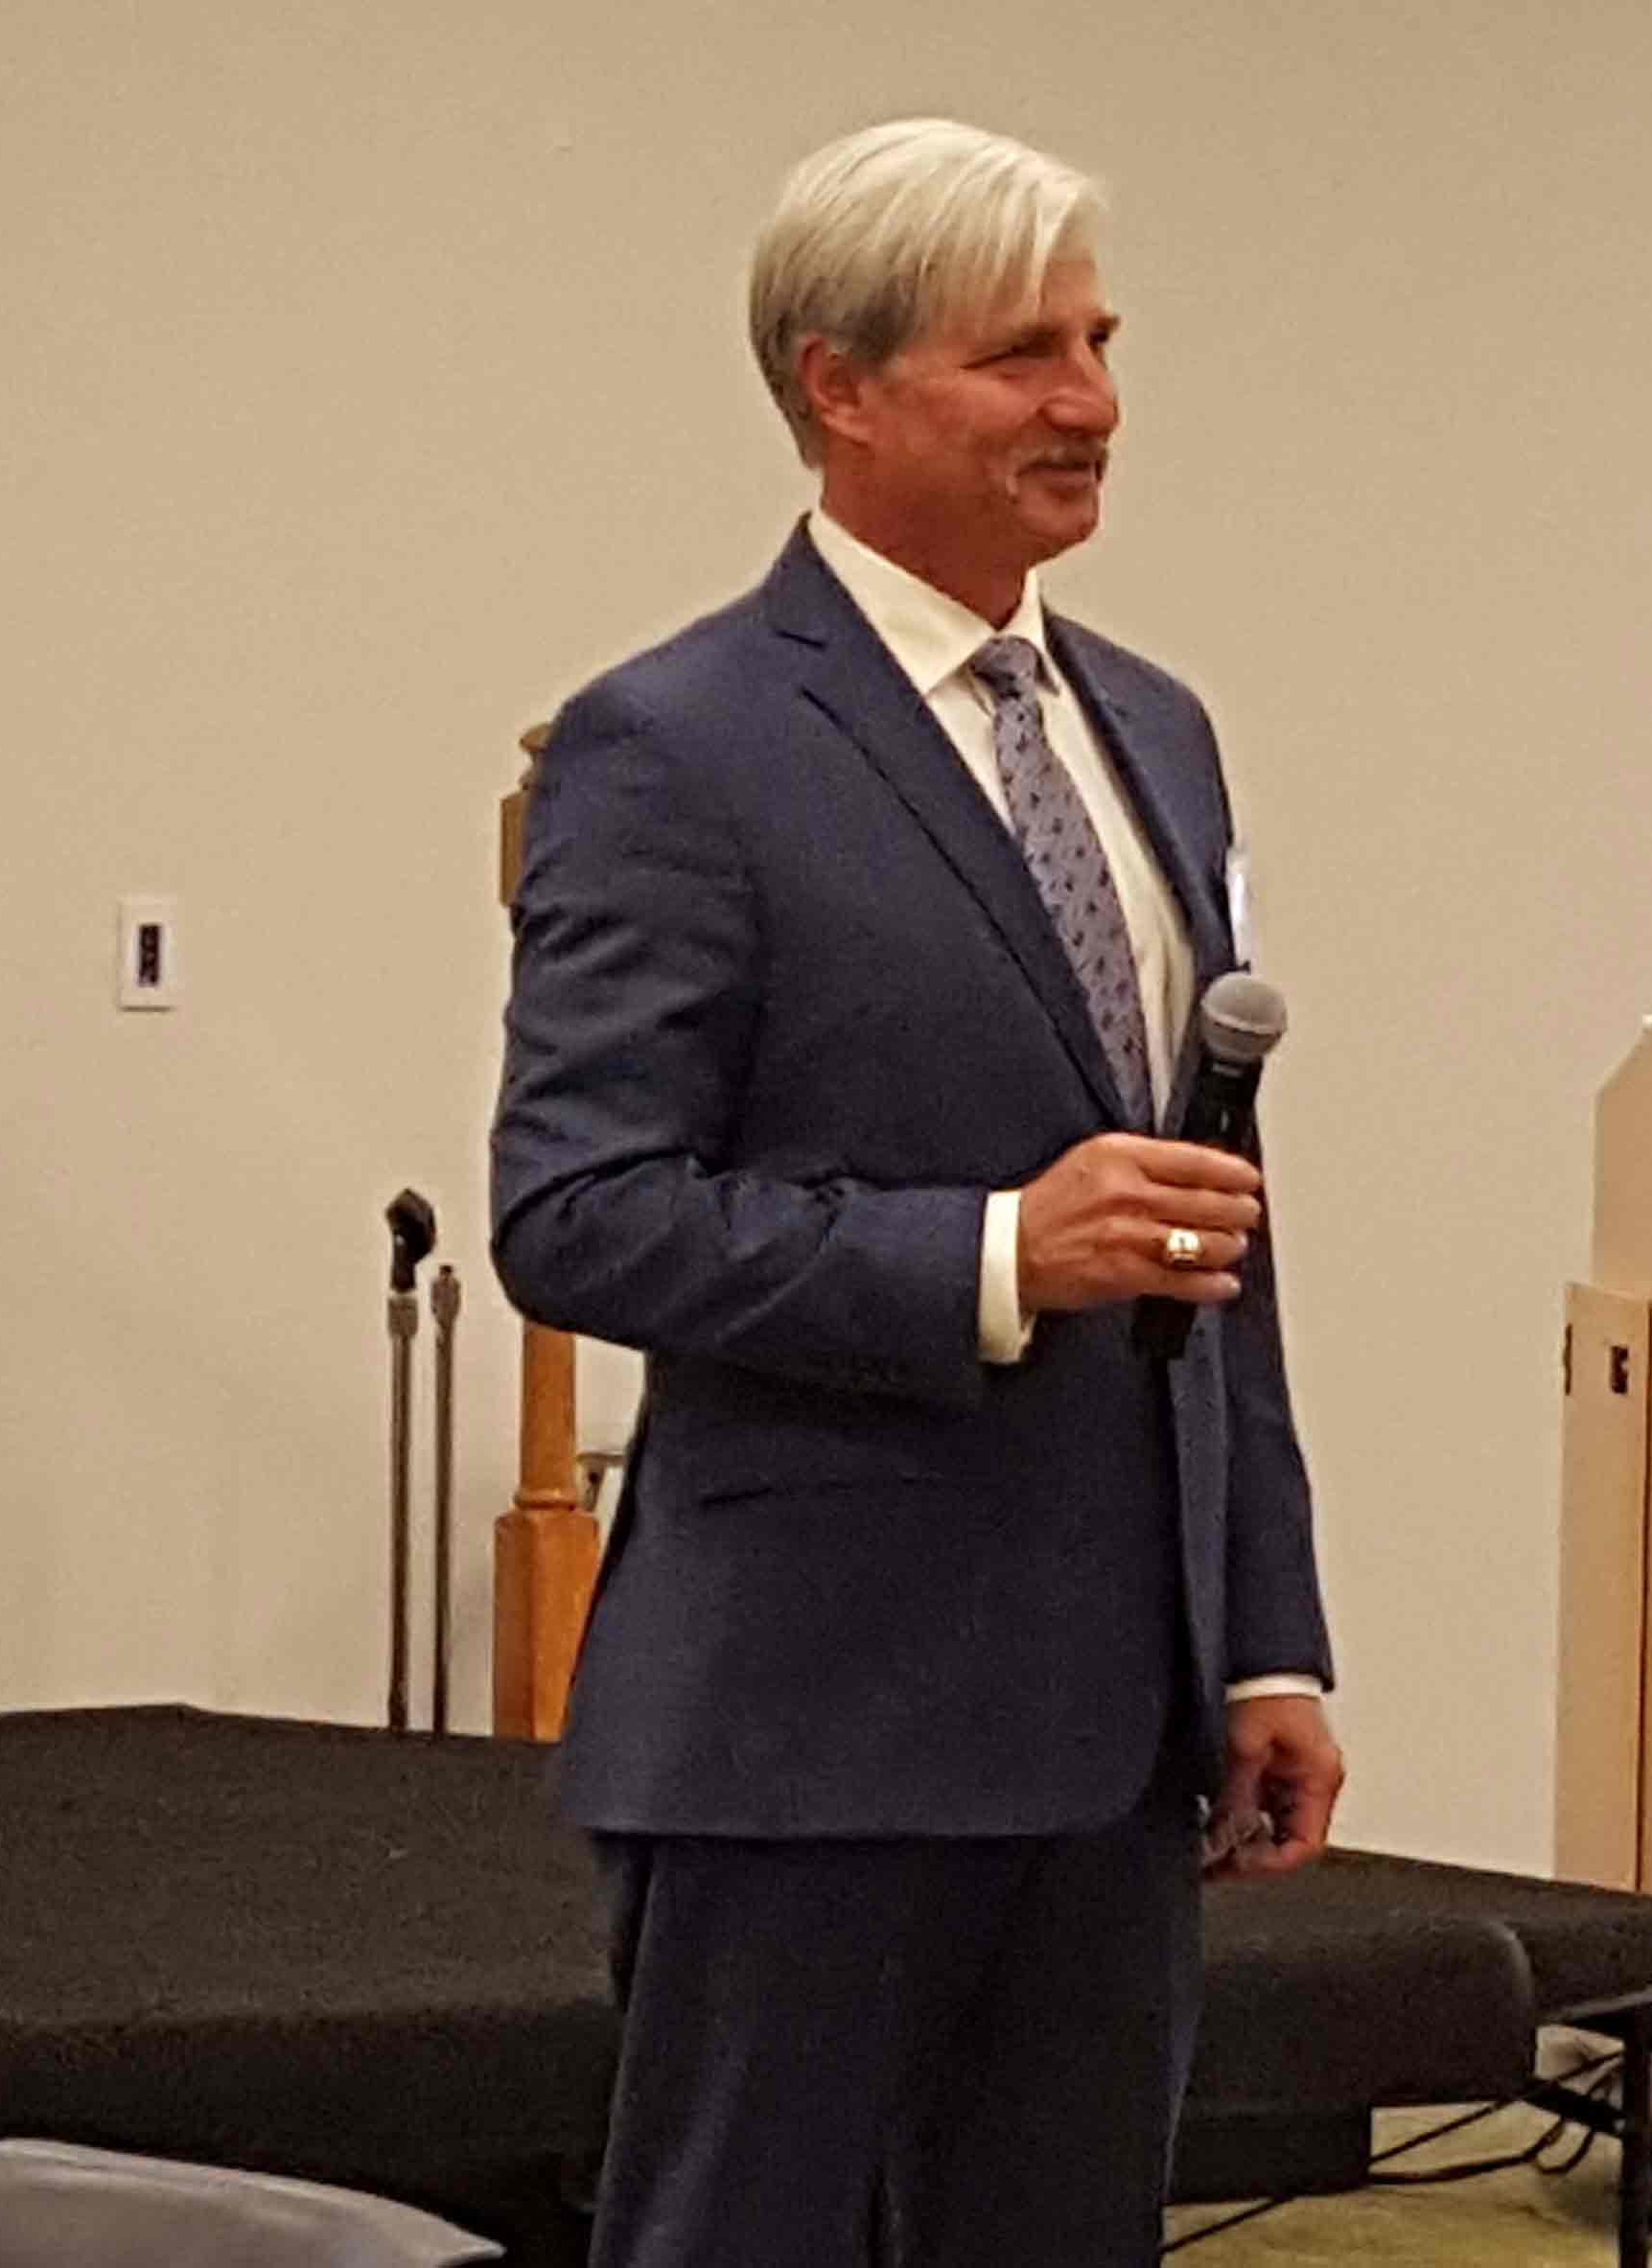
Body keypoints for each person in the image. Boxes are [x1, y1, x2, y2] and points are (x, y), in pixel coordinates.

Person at [490, 116, 1340, 2265]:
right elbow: (574, 1208)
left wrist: (1264, 1641)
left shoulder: (1155, 728)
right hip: (809, 1730)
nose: (1089, 401)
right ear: (836, 385)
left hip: (1115, 1731)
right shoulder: (673, 744)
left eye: (1098, 338)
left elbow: (1205, 1208)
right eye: (1018, 355)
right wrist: (981, 1252)